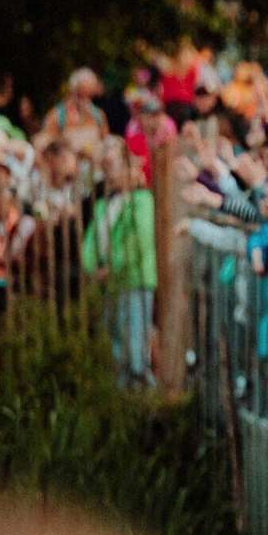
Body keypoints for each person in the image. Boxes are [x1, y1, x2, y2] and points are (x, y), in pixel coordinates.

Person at [81, 141, 159, 388]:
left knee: (134, 347)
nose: (109, 173)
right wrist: (92, 268)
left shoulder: (142, 200)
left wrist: (113, 267)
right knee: (114, 345)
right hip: (108, 283)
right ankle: (121, 396)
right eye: (106, 167)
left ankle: (142, 395)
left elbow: (139, 240)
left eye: (113, 166)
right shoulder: (104, 203)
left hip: (134, 280)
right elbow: (91, 241)